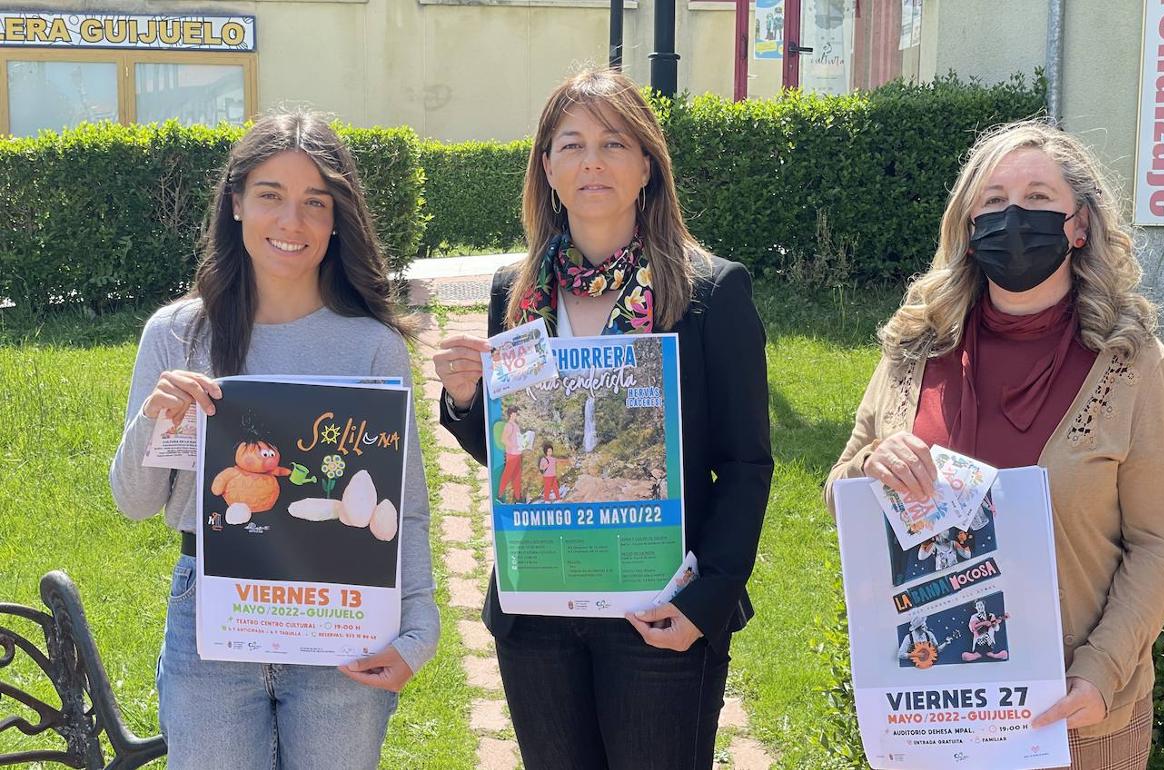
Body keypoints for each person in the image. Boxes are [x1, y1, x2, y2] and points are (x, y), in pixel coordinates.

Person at [824, 120, 1164, 768]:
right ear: (967, 224)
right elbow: (840, 493)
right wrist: (866, 468)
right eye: (992, 201)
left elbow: (1159, 543)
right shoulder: (914, 347)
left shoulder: (1132, 365)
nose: (1014, 217)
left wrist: (1102, 673)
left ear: (1079, 225)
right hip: (930, 716)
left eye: (1037, 199)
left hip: (1075, 719)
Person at [434, 68, 773, 770]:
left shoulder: (710, 290)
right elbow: (515, 458)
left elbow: (745, 465)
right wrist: (468, 401)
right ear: (547, 168)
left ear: (647, 165)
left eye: (614, 143)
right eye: (572, 144)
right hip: (538, 612)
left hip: (659, 610)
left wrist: (707, 601)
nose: (592, 161)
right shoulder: (517, 292)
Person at [109, 111, 438, 769]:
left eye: (315, 202)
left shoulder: (371, 347)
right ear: (235, 203)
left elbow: (403, 508)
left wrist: (418, 629)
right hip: (211, 615)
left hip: (342, 615)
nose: (292, 222)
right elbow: (135, 503)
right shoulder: (177, 335)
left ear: (338, 219)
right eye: (271, 196)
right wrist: (157, 420)